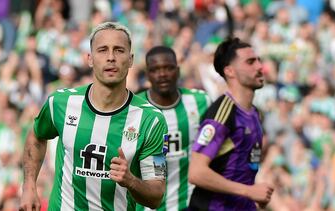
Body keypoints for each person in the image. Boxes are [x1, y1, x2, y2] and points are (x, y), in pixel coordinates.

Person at [20, 22, 168, 211]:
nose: (111, 57)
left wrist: (130, 181)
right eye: (102, 50)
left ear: (130, 60)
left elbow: (156, 195)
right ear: (89, 58)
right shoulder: (60, 103)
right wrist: (29, 185)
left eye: (119, 50)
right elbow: (36, 136)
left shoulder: (152, 121)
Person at [188, 37, 274, 210]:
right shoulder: (223, 113)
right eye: (250, 62)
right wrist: (249, 191)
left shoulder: (254, 113)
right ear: (230, 71)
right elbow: (196, 173)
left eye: (258, 60)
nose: (259, 67)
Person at [136, 46, 211, 211]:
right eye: (155, 69)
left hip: (189, 204)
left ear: (177, 70)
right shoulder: (134, 107)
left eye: (168, 68)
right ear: (147, 74)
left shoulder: (201, 102)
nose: (162, 74)